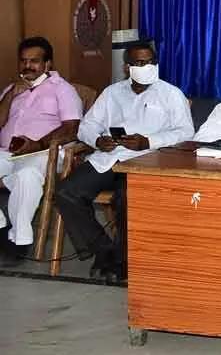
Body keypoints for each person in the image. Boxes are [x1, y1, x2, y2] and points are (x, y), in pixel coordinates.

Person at [54, 40, 193, 282]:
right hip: (109, 157)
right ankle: (106, 253)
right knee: (66, 192)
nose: (146, 66)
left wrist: (148, 141)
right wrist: (98, 141)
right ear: (127, 67)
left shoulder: (171, 94)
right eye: (139, 63)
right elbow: (86, 126)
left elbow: (186, 133)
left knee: (127, 197)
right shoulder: (112, 93)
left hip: (147, 160)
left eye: (150, 62)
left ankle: (122, 260)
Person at [0, 37, 83, 265]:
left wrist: (37, 144)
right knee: (16, 172)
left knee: (26, 176)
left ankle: (19, 242)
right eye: (24, 61)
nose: (28, 66)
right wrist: (10, 95)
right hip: (7, 153)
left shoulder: (62, 89)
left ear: (48, 64)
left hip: (45, 153)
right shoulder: (12, 88)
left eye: (34, 61)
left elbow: (71, 129)